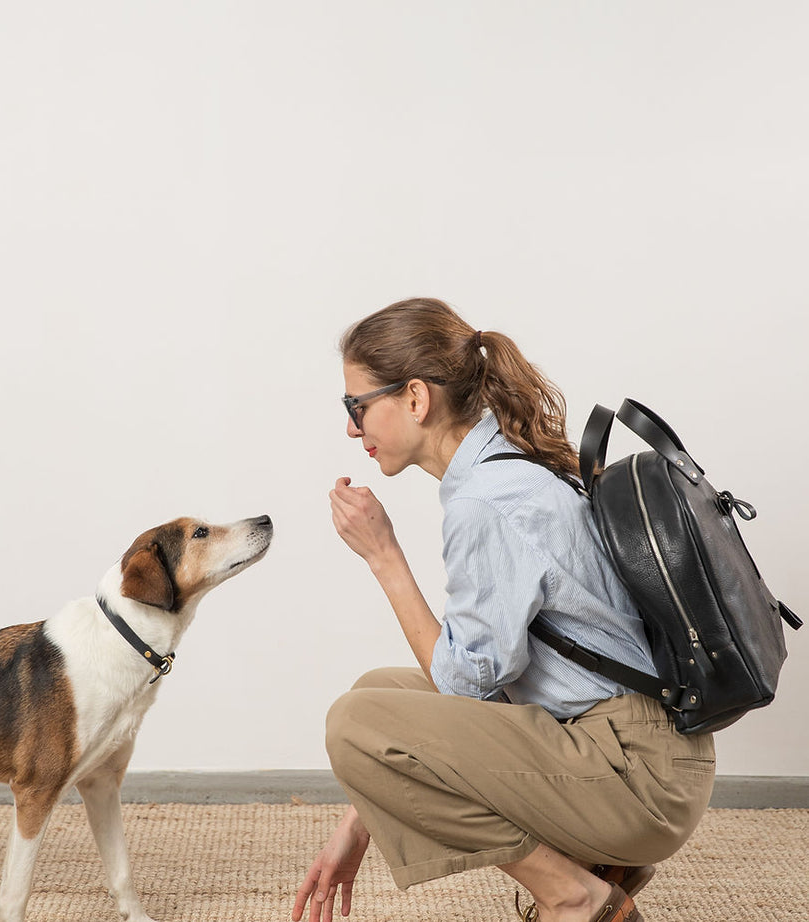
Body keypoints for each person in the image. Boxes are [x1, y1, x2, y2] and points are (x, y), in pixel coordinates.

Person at [291, 298, 715, 922]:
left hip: (637, 776)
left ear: (415, 399)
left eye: (356, 406)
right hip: (635, 746)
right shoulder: (506, 467)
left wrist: (384, 558)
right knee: (376, 693)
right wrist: (360, 820)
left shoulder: (486, 501)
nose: (352, 429)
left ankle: (575, 895)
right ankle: (601, 865)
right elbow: (474, 687)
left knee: (356, 722)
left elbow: (463, 685)